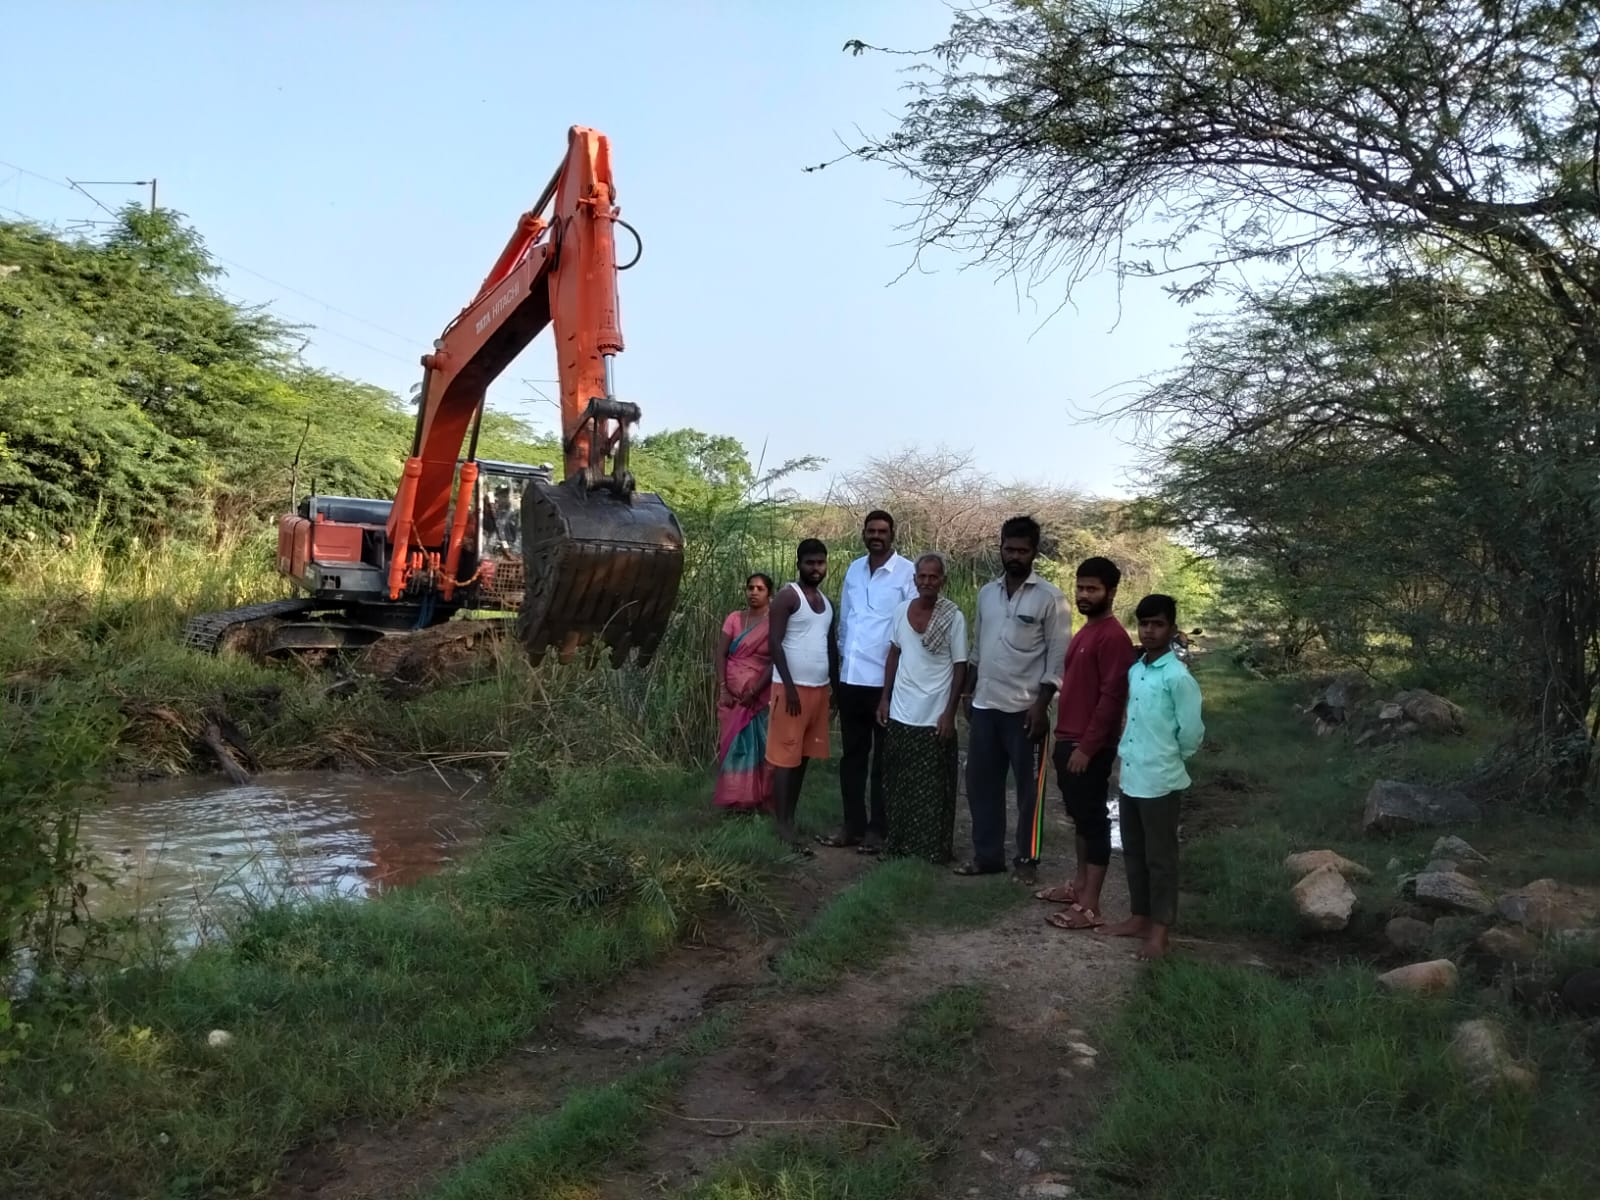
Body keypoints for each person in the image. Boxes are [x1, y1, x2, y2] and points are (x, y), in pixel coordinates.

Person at [956, 516, 1070, 884]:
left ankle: (1027, 859)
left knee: (1029, 790)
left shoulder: (1051, 598)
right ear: (1000, 548)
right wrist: (968, 692)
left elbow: (1057, 659)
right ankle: (988, 856)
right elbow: (978, 648)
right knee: (980, 785)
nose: (1015, 556)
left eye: (1022, 550)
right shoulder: (987, 594)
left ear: (1034, 552)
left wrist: (1041, 705)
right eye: (1009, 549)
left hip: (1025, 710)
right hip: (985, 705)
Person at [1097, 593, 1205, 961]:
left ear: (1172, 629)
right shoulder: (1137, 670)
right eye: (1144, 624)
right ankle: (1139, 917)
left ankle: (1160, 932)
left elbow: (1192, 732)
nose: (1149, 631)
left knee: (1161, 858)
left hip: (1161, 779)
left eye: (1157, 624)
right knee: (1134, 851)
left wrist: (1172, 758)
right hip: (1132, 776)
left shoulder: (1178, 677)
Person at [1038, 557, 1136, 930]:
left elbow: (1111, 699)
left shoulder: (1113, 637)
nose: (1083, 595)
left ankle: (1091, 905)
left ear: (1111, 592)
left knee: (1093, 820)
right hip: (1069, 738)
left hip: (1088, 745)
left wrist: (1087, 748)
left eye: (1092, 589)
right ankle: (1079, 887)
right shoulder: (1086, 631)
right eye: (1080, 587)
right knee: (1080, 817)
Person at [820, 510, 917, 854]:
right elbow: (846, 621)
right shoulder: (854, 569)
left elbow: (908, 629)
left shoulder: (907, 573)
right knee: (852, 757)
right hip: (852, 677)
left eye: (882, 531)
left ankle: (879, 829)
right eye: (871, 530)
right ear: (863, 533)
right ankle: (853, 825)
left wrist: (895, 685)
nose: (876, 536)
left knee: (884, 760)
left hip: (885, 682)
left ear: (893, 534)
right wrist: (839, 675)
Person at [875, 552, 968, 863]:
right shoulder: (901, 611)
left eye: (933, 577)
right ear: (914, 580)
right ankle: (898, 844)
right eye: (922, 576)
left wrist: (949, 713)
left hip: (934, 714)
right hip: (901, 710)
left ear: (942, 580)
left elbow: (960, 667)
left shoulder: (953, 617)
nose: (927, 582)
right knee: (898, 780)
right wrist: (885, 697)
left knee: (933, 786)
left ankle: (931, 850)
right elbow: (894, 654)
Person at [767, 539, 838, 854]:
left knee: (802, 758)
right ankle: (782, 826)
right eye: (810, 563)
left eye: (820, 563)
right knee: (786, 757)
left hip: (819, 689)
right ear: (799, 564)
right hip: (790, 691)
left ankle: (790, 818)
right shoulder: (788, 597)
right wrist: (789, 687)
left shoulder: (827, 603)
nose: (816, 568)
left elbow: (830, 648)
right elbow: (774, 643)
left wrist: (834, 689)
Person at [712, 573, 777, 813]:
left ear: (770, 594)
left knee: (762, 745)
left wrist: (755, 691)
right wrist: (723, 689)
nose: (754, 592)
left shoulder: (775, 622)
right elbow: (721, 654)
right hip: (732, 697)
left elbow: (775, 660)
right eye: (750, 588)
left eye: (760, 588)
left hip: (760, 696)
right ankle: (736, 798)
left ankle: (760, 797)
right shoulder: (734, 618)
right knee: (734, 746)